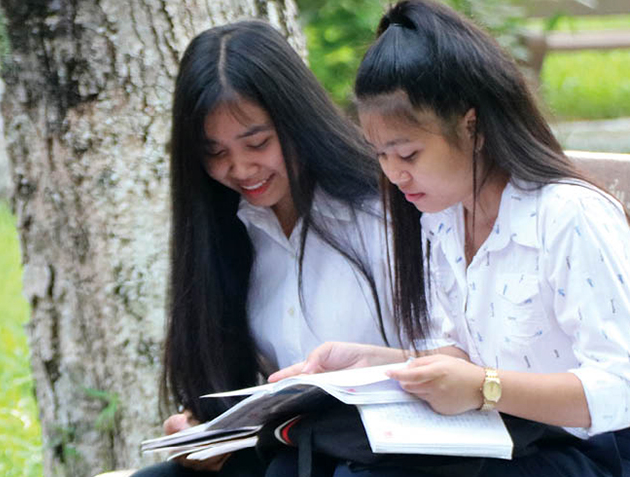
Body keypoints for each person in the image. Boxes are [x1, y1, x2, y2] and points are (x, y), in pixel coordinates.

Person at [270, 1, 630, 476]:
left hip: (592, 452)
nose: (394, 174)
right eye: (380, 155)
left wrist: (484, 387)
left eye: (408, 154)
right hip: (507, 441)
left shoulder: (568, 216)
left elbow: (621, 387)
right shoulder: (442, 218)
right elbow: (465, 356)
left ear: (472, 127)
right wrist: (374, 364)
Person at [130, 18, 464, 477]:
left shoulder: (389, 209)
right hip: (298, 448)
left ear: (297, 120)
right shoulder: (229, 229)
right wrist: (203, 430)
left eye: (257, 143)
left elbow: (463, 360)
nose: (240, 168)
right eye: (215, 153)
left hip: (401, 452)